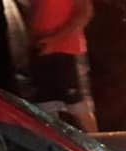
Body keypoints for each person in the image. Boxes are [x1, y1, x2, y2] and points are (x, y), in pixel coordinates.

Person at [29, 0, 98, 132]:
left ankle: (96, 145)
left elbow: (84, 12)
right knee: (45, 109)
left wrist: (55, 40)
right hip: (41, 51)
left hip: (68, 51)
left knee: (78, 106)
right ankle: (52, 144)